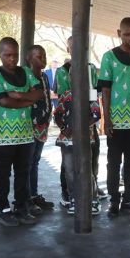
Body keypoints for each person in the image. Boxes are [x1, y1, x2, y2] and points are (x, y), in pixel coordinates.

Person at [97, 17, 130, 217]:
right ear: (119, 34)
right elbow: (105, 90)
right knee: (113, 162)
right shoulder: (108, 57)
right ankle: (113, 200)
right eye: (127, 34)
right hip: (116, 121)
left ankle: (128, 199)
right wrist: (107, 119)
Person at [0, 37, 43, 226]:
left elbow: (39, 92)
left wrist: (19, 95)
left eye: (15, 55)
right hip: (5, 134)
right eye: (7, 55)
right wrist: (29, 100)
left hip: (25, 133)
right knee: (4, 172)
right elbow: (3, 101)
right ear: (0, 55)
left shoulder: (26, 72)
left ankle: (21, 207)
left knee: (23, 171)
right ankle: (3, 208)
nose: (12, 59)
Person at [52, 53, 102, 216]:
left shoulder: (91, 94)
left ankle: (93, 200)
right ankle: (74, 199)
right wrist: (63, 127)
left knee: (87, 170)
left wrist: (79, 128)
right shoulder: (65, 95)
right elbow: (57, 114)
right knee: (70, 171)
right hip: (66, 141)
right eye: (74, 75)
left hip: (86, 139)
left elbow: (96, 114)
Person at [26, 45, 55, 212]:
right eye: (39, 56)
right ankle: (26, 198)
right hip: (30, 126)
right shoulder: (26, 76)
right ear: (29, 58)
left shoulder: (44, 76)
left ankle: (34, 195)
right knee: (28, 163)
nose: (43, 59)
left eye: (44, 55)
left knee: (35, 162)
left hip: (43, 126)